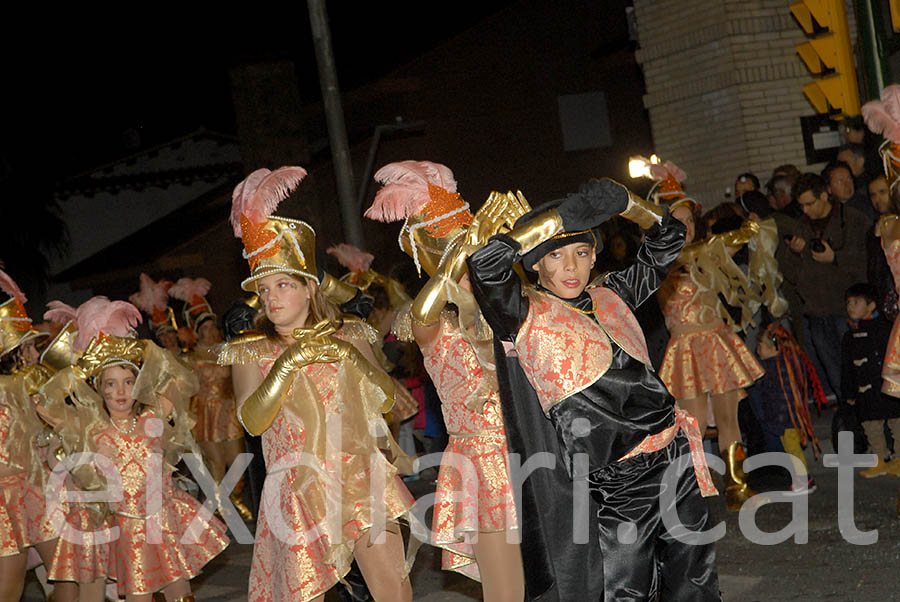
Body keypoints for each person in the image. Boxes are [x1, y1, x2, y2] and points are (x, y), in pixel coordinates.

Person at [468, 176, 719, 601]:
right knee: (627, 589)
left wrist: (629, 203)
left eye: (582, 253)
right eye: (557, 255)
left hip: (675, 456)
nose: (571, 267)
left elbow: (668, 236)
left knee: (693, 579)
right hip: (615, 480)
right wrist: (562, 219)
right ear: (535, 264)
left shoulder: (613, 293)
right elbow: (485, 266)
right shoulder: (522, 314)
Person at [220, 166, 417, 602]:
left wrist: (350, 358)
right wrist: (288, 363)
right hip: (294, 488)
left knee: (393, 591)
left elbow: (386, 399)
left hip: (360, 476)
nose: (271, 298)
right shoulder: (249, 349)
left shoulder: (350, 334)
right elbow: (252, 421)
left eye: (283, 285)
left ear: (310, 289)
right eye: (264, 289)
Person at [366, 160, 525, 601]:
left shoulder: (506, 302)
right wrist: (465, 247)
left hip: (531, 443)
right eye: (448, 245)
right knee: (506, 589)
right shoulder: (428, 319)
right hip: (481, 461)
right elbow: (424, 309)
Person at [38, 296, 230, 602]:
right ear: (97, 389)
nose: (120, 392)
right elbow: (45, 403)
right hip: (130, 531)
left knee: (181, 593)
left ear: (139, 383)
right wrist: (82, 367)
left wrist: (144, 349)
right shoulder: (93, 429)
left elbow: (181, 377)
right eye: (110, 384)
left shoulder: (152, 418)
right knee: (139, 596)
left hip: (165, 520)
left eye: (128, 382)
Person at [653, 162, 778, 511]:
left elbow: (736, 241)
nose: (687, 227)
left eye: (690, 220)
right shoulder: (657, 261)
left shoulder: (707, 250)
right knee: (690, 427)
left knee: (728, 418)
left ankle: (737, 486)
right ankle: (696, 491)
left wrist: (754, 217)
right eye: (677, 221)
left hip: (716, 341)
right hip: (685, 348)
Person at [0, 269, 79, 602]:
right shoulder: (17, 386)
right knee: (8, 589)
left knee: (70, 574)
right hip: (3, 500)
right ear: (12, 351)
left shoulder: (28, 386)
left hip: (36, 491)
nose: (34, 354)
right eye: (28, 347)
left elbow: (64, 418)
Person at [169, 277, 253, 521]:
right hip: (206, 413)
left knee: (237, 461)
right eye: (204, 328)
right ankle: (219, 504)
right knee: (215, 463)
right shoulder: (192, 357)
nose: (210, 331)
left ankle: (234, 496)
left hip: (229, 411)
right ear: (197, 331)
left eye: (212, 326)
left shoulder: (228, 351)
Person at [782, 172, 869, 405]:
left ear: (825, 195)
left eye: (810, 204)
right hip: (818, 314)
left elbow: (867, 263)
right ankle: (851, 432)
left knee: (861, 373)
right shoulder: (801, 228)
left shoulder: (852, 220)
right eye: (801, 205)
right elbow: (789, 275)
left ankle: (874, 428)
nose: (805, 210)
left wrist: (836, 258)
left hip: (848, 310)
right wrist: (795, 253)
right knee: (837, 377)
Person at [746, 323, 823, 493]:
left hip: (787, 420)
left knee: (793, 450)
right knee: (788, 452)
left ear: (776, 348)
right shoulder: (771, 365)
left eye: (761, 346)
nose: (757, 349)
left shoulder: (783, 367)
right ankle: (799, 478)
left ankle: (805, 480)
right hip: (780, 418)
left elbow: (783, 397)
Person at [840, 283, 900, 477]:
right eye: (848, 302)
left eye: (856, 302)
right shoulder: (849, 336)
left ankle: (899, 459)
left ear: (872, 305)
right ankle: (880, 459)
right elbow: (847, 367)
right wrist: (849, 393)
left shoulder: (886, 330)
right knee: (871, 425)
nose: (850, 306)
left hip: (886, 387)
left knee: (896, 423)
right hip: (864, 390)